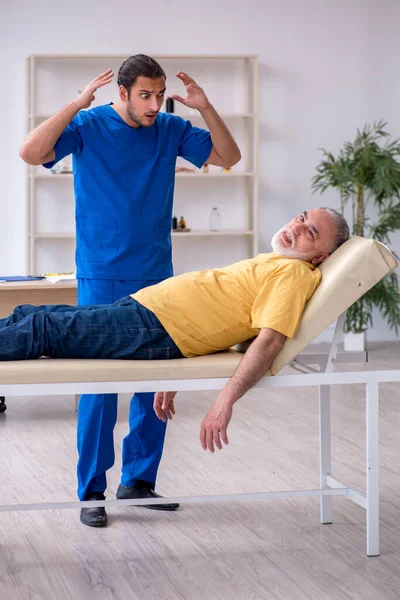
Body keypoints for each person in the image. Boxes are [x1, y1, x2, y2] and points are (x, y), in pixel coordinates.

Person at [19, 54, 241, 527]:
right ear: (122, 92)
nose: (155, 104)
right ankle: (92, 492)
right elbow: (31, 152)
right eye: (145, 94)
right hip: (101, 270)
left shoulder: (170, 129)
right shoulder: (89, 124)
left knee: (154, 385)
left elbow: (229, 157)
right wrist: (76, 103)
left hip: (157, 272)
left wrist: (205, 108)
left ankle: (138, 480)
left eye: (160, 95)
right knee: (98, 386)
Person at [0, 207, 349, 465]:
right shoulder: (279, 261)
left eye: (311, 233)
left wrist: (223, 402)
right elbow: (229, 320)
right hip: (147, 311)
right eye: (302, 217)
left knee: (41, 330)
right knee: (29, 315)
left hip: (156, 327)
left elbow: (269, 341)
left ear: (320, 257)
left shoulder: (294, 275)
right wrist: (178, 369)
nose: (297, 226)